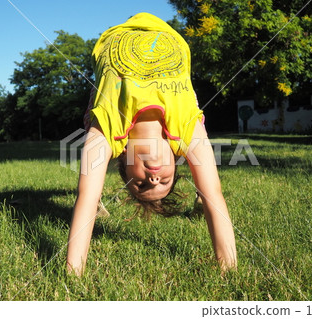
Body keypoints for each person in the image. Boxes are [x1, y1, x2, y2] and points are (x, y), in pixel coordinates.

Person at [66, 12, 237, 276]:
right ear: (178, 163)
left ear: (122, 161)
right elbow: (213, 194)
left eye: (141, 184)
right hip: (169, 38)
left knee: (93, 112)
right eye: (164, 183)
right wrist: (228, 269)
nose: (154, 180)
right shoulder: (187, 134)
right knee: (206, 184)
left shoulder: (109, 133)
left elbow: (85, 197)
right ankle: (196, 200)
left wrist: (72, 273)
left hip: (115, 40)